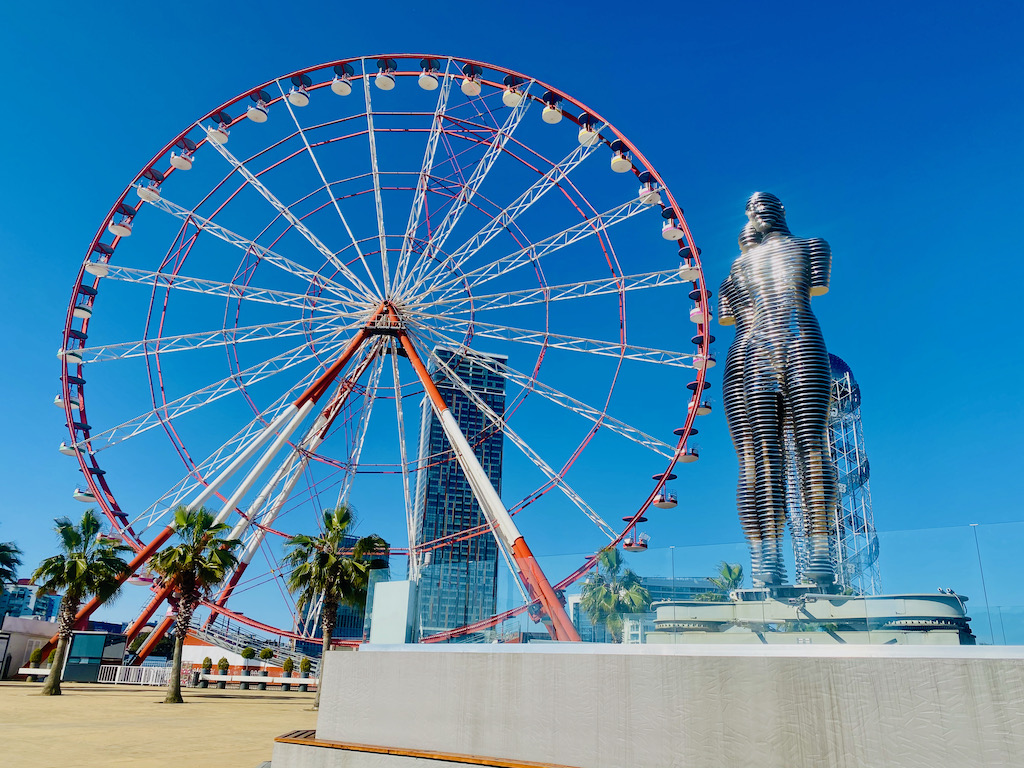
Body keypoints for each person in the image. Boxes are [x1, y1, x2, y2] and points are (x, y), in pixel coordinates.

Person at [718, 193, 836, 586]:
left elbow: (727, 316)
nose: (757, 214)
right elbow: (815, 286)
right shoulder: (807, 248)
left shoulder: (743, 266)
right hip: (788, 337)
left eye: (761, 208)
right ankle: (790, 563)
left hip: (760, 344)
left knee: (776, 454)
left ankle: (793, 562)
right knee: (791, 451)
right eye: (753, 210)